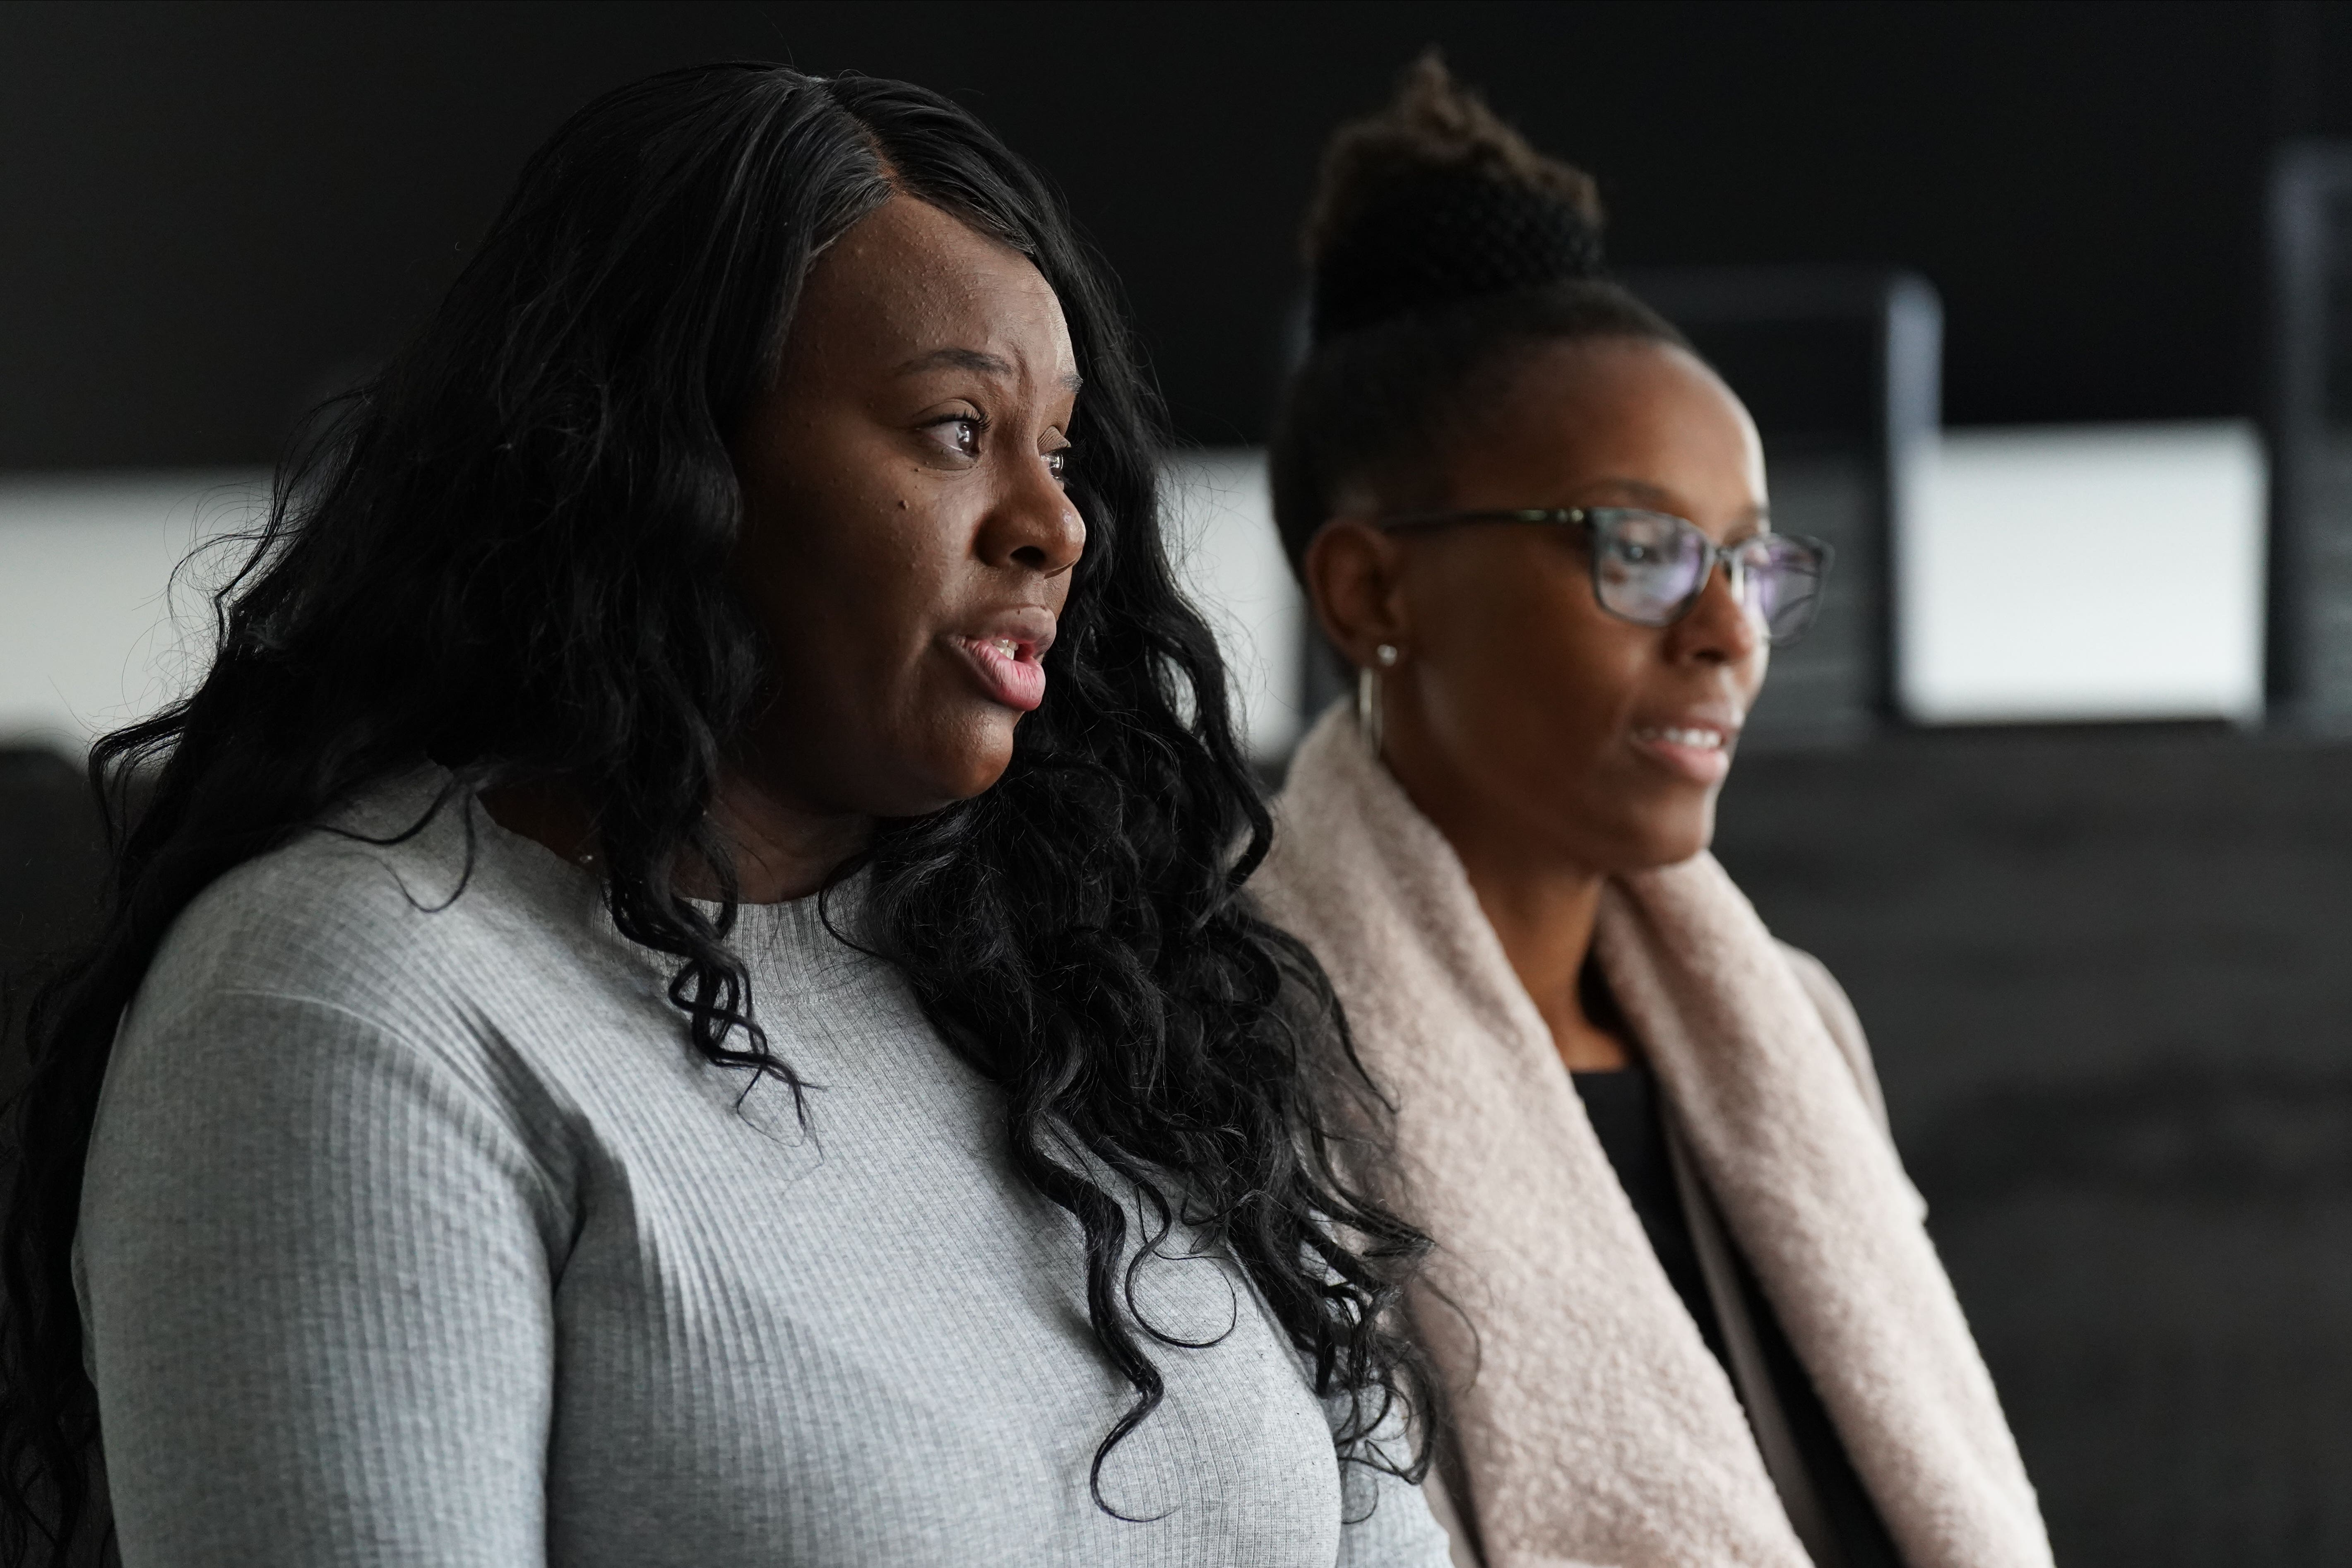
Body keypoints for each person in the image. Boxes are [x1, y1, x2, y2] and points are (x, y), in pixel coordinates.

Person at [0, 64, 1453, 1568]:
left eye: (1062, 448)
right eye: (956, 428)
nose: (1057, 522)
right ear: (663, 460)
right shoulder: (338, 1004)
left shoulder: (1100, 987)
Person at [1253, 58, 2053, 1568]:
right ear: (1373, 591)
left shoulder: (1794, 1027)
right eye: (1638, 548)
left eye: (1750, 564)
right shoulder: (1227, 1065)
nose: (1727, 630)